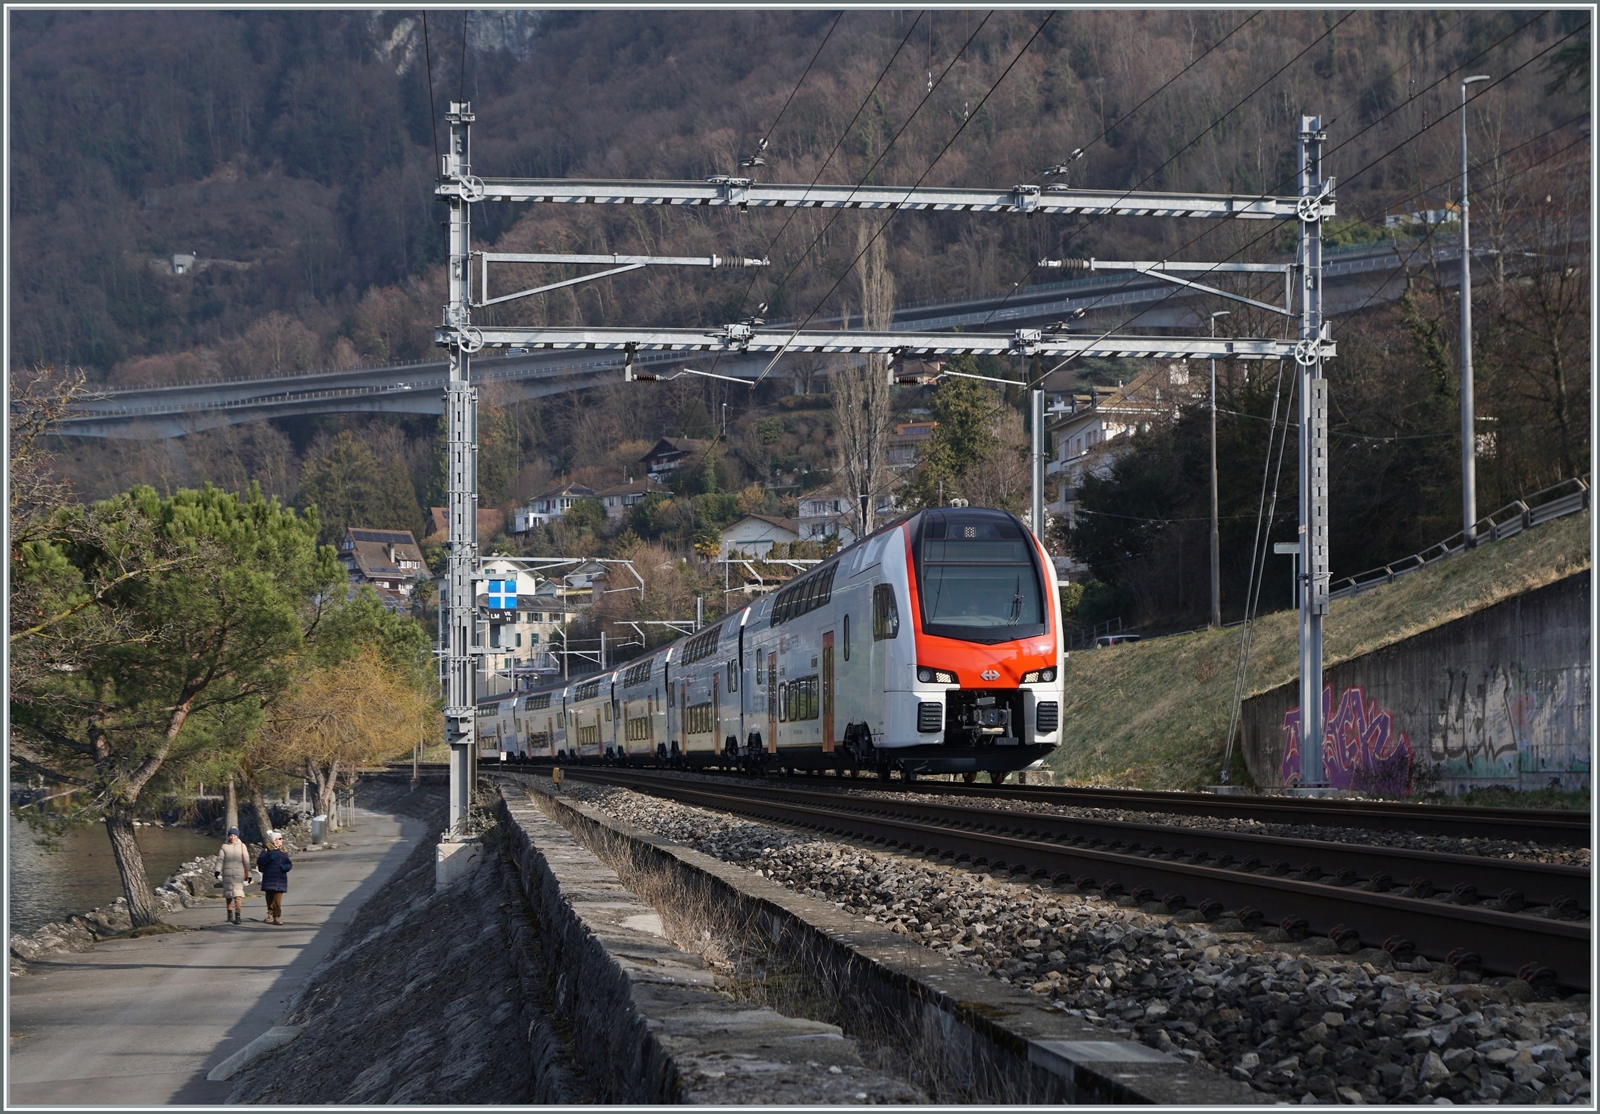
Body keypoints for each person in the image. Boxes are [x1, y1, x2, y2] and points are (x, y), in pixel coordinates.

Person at [214, 828, 251, 925]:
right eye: (231, 835)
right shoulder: (224, 847)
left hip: (239, 874)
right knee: (228, 895)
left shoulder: (242, 846)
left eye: (234, 835)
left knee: (238, 895)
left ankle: (238, 916)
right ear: (228, 836)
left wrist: (249, 874)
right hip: (227, 874)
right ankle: (229, 915)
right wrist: (217, 870)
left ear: (237, 836)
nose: (233, 837)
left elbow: (246, 861)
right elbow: (220, 859)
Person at [256, 831, 293, 925]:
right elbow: (260, 862)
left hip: (280, 878)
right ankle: (270, 914)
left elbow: (289, 863)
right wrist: (269, 858)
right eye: (279, 839)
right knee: (269, 897)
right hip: (269, 877)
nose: (281, 840)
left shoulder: (284, 851)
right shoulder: (266, 850)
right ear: (274, 840)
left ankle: (276, 916)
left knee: (277, 899)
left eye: (281, 839)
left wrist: (286, 867)